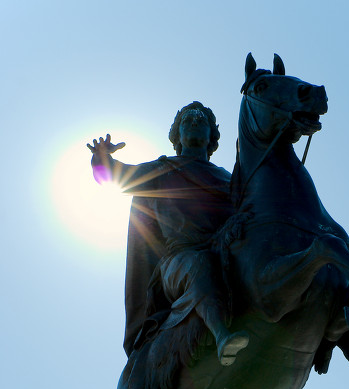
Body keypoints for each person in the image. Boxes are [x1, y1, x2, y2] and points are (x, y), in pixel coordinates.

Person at [87, 102, 248, 365]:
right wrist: (102, 156)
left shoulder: (228, 180)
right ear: (177, 136)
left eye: (201, 121)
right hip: (178, 262)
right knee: (199, 265)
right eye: (187, 121)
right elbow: (114, 176)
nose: (194, 122)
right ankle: (222, 337)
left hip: (224, 254)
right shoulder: (162, 170)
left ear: (212, 137)